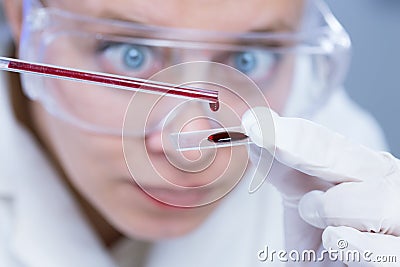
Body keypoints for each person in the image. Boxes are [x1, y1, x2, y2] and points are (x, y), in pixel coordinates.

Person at [0, 0, 399, 266]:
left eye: (248, 59)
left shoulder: (335, 159)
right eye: (128, 54)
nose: (190, 150)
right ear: (22, 19)